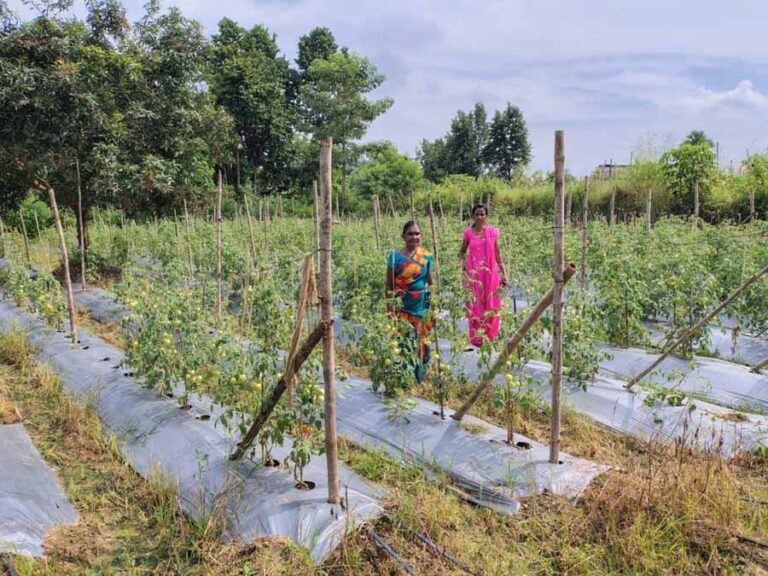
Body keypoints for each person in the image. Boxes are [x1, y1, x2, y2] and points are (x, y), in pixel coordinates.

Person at [386, 220, 433, 383]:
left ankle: (418, 378)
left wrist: (432, 307)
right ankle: (403, 377)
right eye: (410, 234)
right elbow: (389, 286)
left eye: (417, 233)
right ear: (403, 236)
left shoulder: (426, 256)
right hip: (401, 306)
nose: (414, 237)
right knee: (403, 341)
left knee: (421, 341)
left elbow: (430, 282)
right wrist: (389, 308)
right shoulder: (395, 257)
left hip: (420, 306)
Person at [459, 204, 508, 348]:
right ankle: (476, 337)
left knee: (491, 302)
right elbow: (462, 252)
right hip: (474, 273)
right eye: (477, 214)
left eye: (482, 214)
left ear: (486, 216)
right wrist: (463, 266)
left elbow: (497, 254)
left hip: (490, 273)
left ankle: (489, 335)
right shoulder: (468, 233)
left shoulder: (492, 233)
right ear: (473, 216)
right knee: (475, 304)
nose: (480, 217)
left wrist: (504, 273)